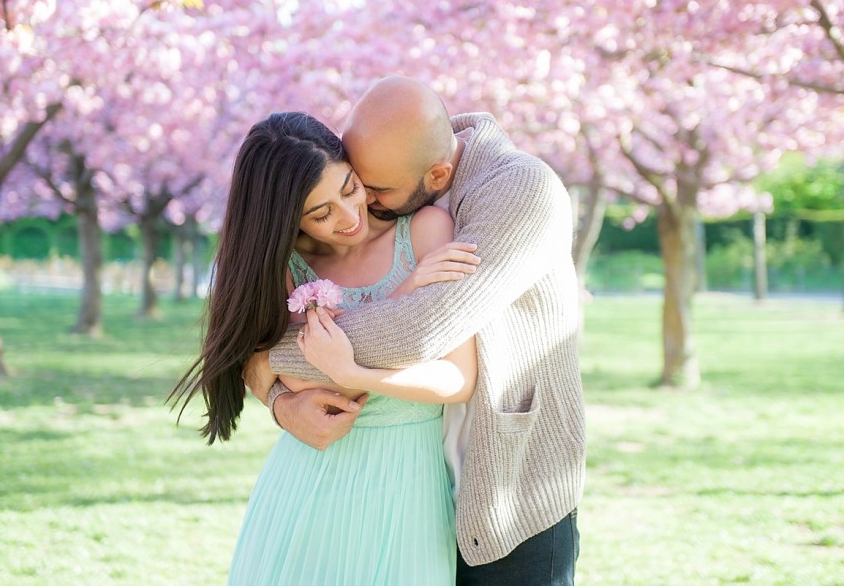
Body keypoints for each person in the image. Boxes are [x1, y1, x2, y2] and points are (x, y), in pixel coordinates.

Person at [245, 76, 587, 585]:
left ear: (438, 173)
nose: (366, 207)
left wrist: (272, 361)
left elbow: (425, 328)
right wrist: (275, 396)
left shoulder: (520, 191)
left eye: (372, 190)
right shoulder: (403, 164)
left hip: (506, 488)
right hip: (408, 486)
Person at [169, 111, 480, 585]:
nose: (350, 217)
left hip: (406, 486)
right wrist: (282, 402)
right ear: (286, 220)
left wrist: (358, 375)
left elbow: (456, 379)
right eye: (321, 213)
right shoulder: (286, 265)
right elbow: (296, 375)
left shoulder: (425, 232)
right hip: (308, 482)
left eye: (350, 188)